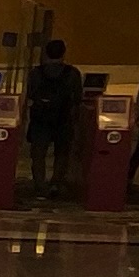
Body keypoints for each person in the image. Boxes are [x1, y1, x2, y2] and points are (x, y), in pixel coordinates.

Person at [29, 38, 85, 203]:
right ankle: (56, 183)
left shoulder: (36, 73)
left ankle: (40, 186)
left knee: (38, 154)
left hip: (40, 120)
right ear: (63, 53)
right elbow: (77, 98)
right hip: (63, 119)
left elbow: (31, 94)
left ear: (46, 53)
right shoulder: (72, 73)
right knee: (61, 154)